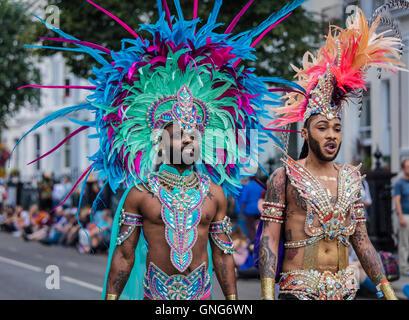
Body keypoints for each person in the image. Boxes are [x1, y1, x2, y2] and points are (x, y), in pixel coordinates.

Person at [13, 0, 305, 300]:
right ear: (158, 141)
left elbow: (222, 256)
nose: (188, 141)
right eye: (179, 135)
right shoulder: (140, 193)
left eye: (193, 135)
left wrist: (233, 301)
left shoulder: (214, 193)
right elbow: (124, 256)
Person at [258, 7, 404, 300]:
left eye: (337, 128)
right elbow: (270, 239)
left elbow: (361, 241)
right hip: (297, 290)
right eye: (323, 128)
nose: (332, 135)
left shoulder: (351, 177)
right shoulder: (284, 176)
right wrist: (266, 294)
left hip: (344, 289)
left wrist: (387, 291)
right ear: (305, 133)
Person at [393, 158, 409, 277]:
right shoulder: (399, 183)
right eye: (407, 166)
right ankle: (404, 268)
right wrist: (401, 217)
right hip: (405, 215)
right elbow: (397, 201)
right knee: (404, 243)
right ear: (403, 169)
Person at [241, 177, 264, 242]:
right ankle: (259, 240)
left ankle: (252, 242)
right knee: (260, 226)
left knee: (250, 227)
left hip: (249, 209)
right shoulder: (261, 184)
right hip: (260, 209)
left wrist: (242, 212)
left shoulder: (248, 185)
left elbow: (244, 200)